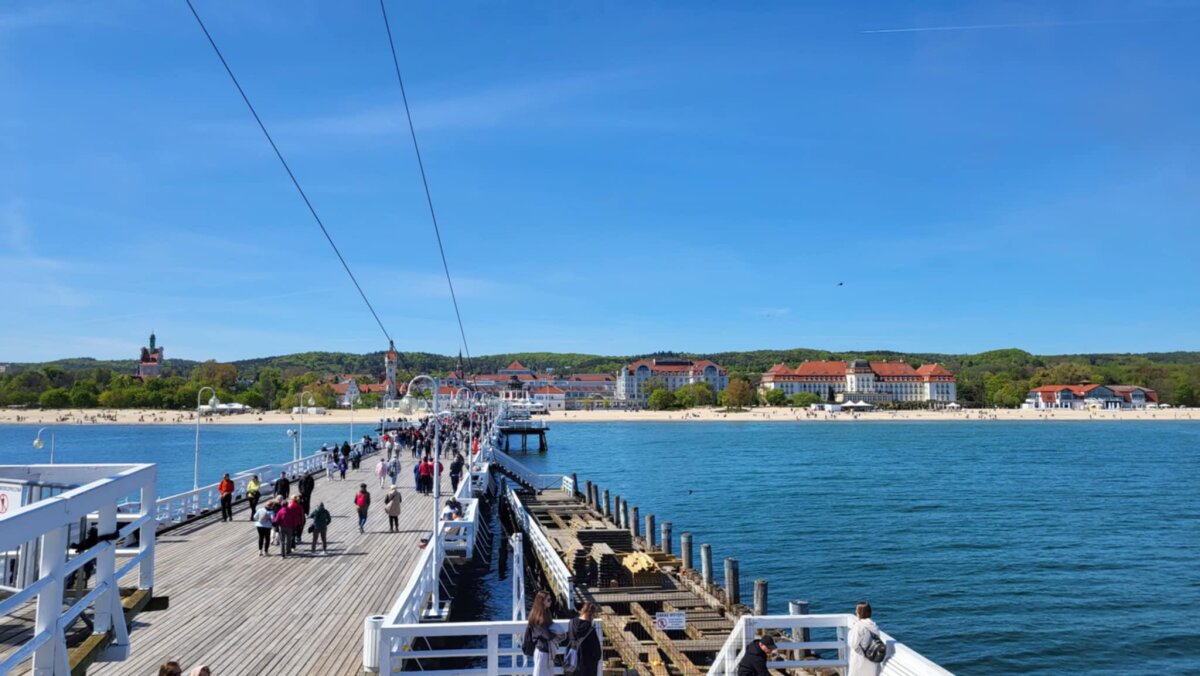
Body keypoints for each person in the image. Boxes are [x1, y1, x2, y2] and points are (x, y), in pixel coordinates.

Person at [524, 590, 559, 676]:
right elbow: (547, 635)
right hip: (542, 652)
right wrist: (556, 634)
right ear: (542, 601)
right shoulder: (538, 616)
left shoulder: (546, 612)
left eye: (550, 599)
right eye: (548, 600)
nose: (550, 601)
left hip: (547, 652)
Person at [565, 602, 601, 676]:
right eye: (594, 615)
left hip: (572, 664)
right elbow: (597, 653)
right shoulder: (590, 629)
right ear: (591, 614)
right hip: (586, 666)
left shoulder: (571, 623)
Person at [847, 602, 883, 676]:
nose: (855, 612)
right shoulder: (874, 626)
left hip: (860, 660)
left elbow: (852, 644)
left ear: (860, 613)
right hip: (871, 660)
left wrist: (851, 631)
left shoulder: (859, 626)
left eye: (857, 610)